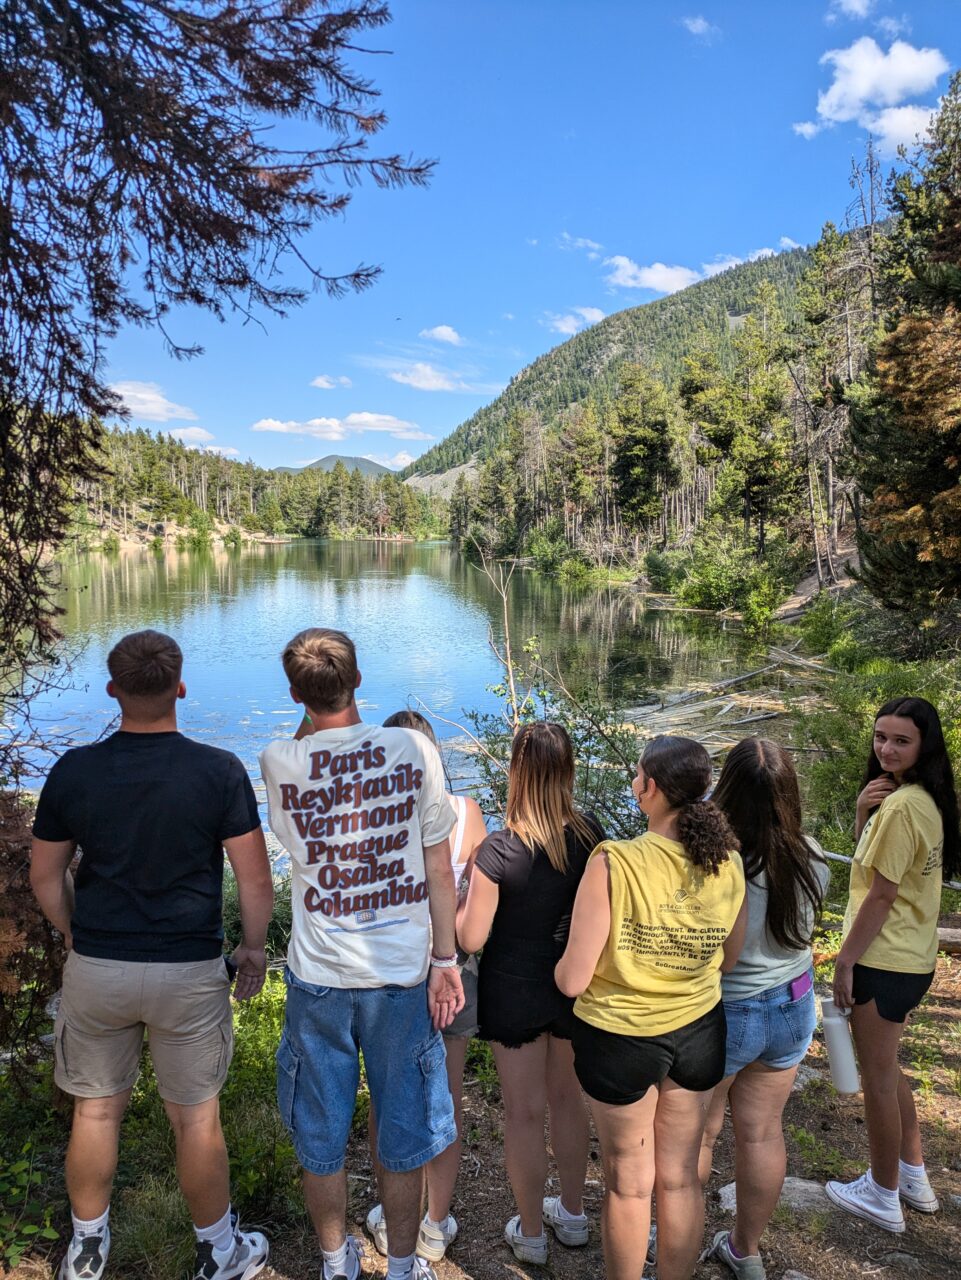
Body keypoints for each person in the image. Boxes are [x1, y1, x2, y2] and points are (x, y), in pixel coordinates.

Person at [30, 630, 274, 1280]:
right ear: (180, 687)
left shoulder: (75, 771)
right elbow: (255, 880)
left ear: (113, 690)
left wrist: (74, 932)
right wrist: (252, 949)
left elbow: (45, 876)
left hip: (99, 968)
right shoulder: (218, 771)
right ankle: (218, 1253)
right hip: (188, 972)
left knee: (95, 1110)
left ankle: (86, 1252)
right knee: (195, 1121)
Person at [259, 629, 464, 1280]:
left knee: (320, 1138)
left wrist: (311, 704)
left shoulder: (280, 760)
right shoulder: (412, 749)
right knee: (403, 1136)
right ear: (357, 680)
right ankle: (401, 1267)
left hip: (318, 981)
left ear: (295, 694)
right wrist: (445, 961)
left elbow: (306, 743)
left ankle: (334, 1261)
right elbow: (439, 867)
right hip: (400, 978)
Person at [556, 734, 746, 1280]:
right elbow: (728, 958)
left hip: (620, 1036)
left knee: (629, 1183)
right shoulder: (728, 860)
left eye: (638, 775)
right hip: (698, 1032)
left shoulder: (614, 861)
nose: (635, 783)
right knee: (680, 1178)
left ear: (651, 788)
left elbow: (572, 979)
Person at [456, 721, 605, 1267]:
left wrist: (456, 901)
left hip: (512, 993)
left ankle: (532, 1233)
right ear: (567, 771)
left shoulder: (499, 851)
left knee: (522, 1112)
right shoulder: (591, 837)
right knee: (568, 1099)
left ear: (517, 772)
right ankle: (573, 1214)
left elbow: (471, 938)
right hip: (572, 986)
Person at [825, 697, 960, 1232]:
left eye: (901, 740)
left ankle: (881, 1194)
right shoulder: (922, 799)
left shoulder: (903, 806)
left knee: (877, 1078)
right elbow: (877, 866)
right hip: (912, 956)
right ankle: (911, 1174)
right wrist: (863, 812)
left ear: (925, 746)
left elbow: (880, 896)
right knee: (889, 1066)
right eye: (881, 737)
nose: (886, 749)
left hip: (883, 959)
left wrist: (845, 962)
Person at [697, 739, 829, 1280]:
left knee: (698, 1135)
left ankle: (675, 1237)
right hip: (793, 1005)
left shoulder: (715, 864)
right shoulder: (811, 854)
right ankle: (745, 1250)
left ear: (725, 790)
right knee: (762, 1132)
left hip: (730, 1011)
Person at [365, 710, 488, 1264]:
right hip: (453, 971)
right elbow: (474, 896)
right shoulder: (467, 813)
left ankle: (392, 1216)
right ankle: (434, 1224)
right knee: (447, 1098)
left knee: (386, 1097)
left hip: (391, 974)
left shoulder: (372, 814)